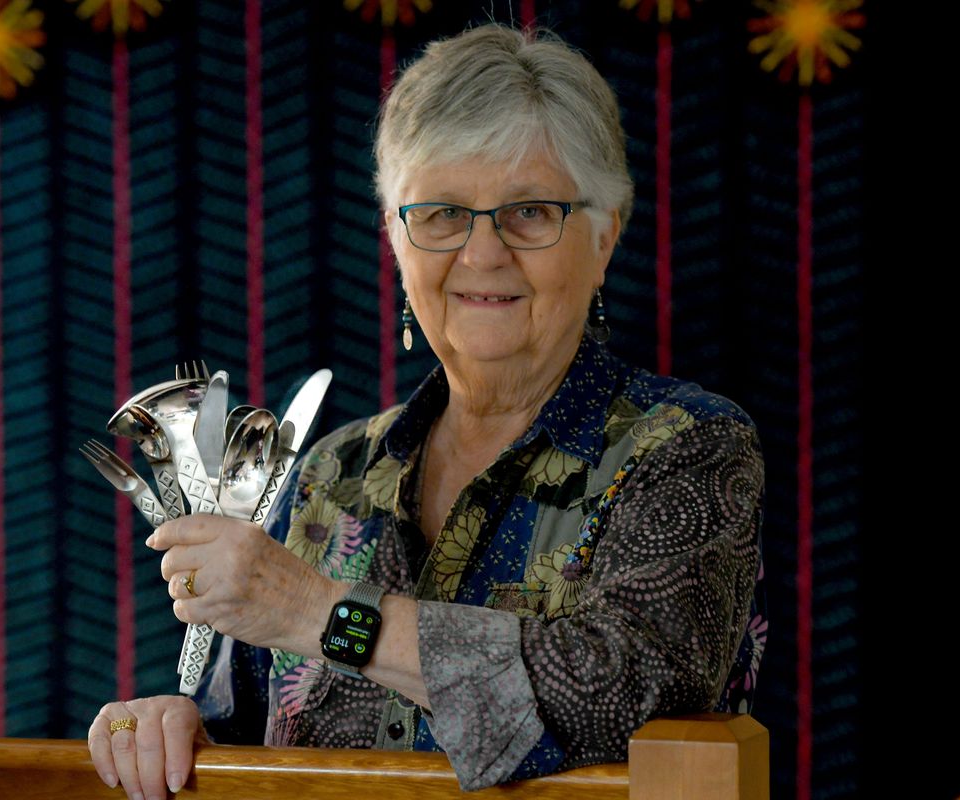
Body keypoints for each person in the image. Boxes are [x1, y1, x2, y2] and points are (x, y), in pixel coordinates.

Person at [88, 22, 765, 798]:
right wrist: (173, 729)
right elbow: (240, 730)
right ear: (395, 237)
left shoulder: (689, 449)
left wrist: (319, 611)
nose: (482, 255)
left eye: (531, 212)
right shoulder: (331, 476)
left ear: (606, 234)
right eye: (441, 213)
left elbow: (623, 693)